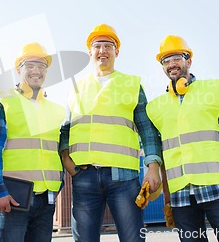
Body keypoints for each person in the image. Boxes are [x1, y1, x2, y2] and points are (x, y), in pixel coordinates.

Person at [59, 24, 162, 242]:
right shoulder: (76, 87)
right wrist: (67, 162)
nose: (102, 51)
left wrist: (153, 168)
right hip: (84, 177)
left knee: (133, 238)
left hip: (123, 178)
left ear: (117, 52)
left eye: (108, 46)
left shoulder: (132, 84)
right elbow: (65, 130)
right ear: (90, 52)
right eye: (98, 46)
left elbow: (147, 129)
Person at [146, 35, 219, 242]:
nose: (171, 64)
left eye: (176, 58)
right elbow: (164, 153)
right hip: (180, 195)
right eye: (165, 60)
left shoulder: (213, 89)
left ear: (188, 61)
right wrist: (167, 196)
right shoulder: (155, 107)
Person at [0, 42, 65, 242]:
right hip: (13, 199)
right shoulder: (3, 102)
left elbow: (54, 151)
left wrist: (57, 186)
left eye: (42, 66)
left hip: (46, 199)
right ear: (18, 69)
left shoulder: (56, 109)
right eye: (29, 65)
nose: (36, 71)